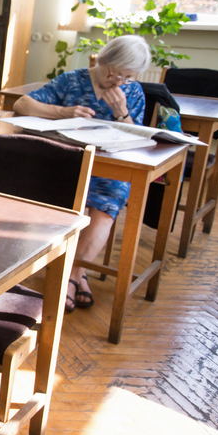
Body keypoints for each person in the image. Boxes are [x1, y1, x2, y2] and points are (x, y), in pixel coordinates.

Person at [12, 35, 151, 313]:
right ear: (105, 60)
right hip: (67, 164)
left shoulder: (132, 92)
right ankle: (76, 278)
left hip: (109, 170)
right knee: (59, 193)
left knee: (108, 201)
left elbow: (137, 139)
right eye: (117, 73)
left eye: (128, 77)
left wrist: (121, 112)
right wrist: (63, 112)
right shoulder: (72, 80)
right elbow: (22, 105)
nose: (120, 82)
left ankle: (68, 277)